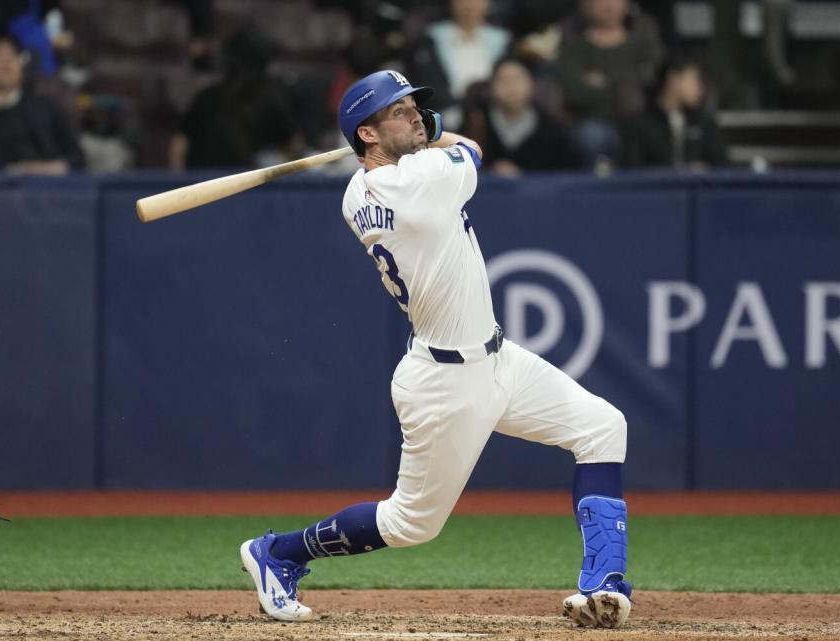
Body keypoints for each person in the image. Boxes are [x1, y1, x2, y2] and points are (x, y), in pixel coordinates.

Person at [239, 69, 633, 630]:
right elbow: (470, 147)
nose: (417, 116)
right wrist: (442, 135)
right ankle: (278, 552)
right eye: (400, 111)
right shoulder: (420, 178)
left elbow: (422, 154)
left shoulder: (357, 192)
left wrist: (418, 136)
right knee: (410, 525)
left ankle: (605, 583)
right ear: (367, 135)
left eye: (416, 107)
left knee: (602, 426)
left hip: (497, 359)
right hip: (447, 383)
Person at [168, 27, 298, 170]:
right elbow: (180, 144)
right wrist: (180, 183)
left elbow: (292, 147)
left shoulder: (272, 102)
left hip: (251, 186)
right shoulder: (208, 98)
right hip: (204, 184)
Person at [555, 0, 665, 168]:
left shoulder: (643, 43)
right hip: (591, 122)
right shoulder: (574, 46)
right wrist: (624, 82)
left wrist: (604, 81)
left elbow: (655, 82)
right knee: (590, 137)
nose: (609, 5)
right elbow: (573, 93)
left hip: (641, 122)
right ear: (585, 5)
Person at [463, 57, 578, 175]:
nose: (511, 88)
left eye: (517, 80)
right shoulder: (475, 121)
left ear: (532, 83)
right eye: (504, 81)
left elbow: (566, 174)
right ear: (491, 86)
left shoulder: (552, 127)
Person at [409, 0, 511, 129]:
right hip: (440, 120)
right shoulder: (431, 38)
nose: (469, 4)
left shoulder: (502, 41)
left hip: (491, 123)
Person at [0, 31, 83, 174]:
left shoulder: (46, 107)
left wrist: (49, 168)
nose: (6, 61)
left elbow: (77, 159)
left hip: (51, 189)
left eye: (13, 54)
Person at [618, 56, 727, 169]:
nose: (700, 89)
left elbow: (723, 167)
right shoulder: (639, 125)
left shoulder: (704, 124)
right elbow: (632, 172)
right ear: (673, 79)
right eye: (694, 80)